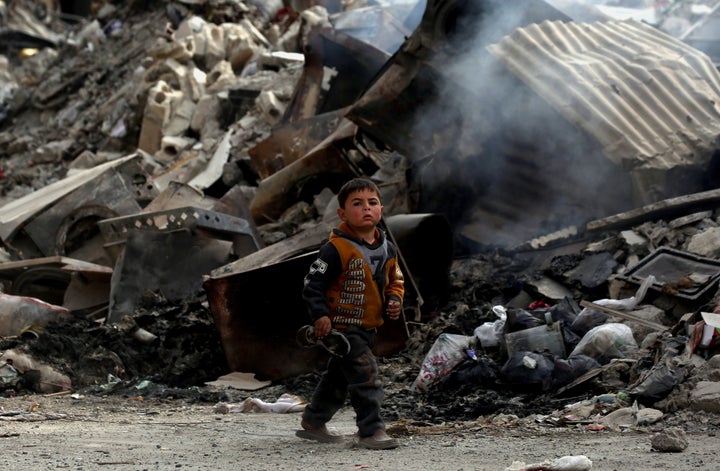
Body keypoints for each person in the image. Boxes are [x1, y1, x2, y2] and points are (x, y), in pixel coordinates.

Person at [296, 177, 405, 450]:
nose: (366, 208)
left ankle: (313, 420)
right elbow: (313, 284)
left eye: (372, 202)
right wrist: (320, 315)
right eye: (357, 203)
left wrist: (394, 298)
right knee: (366, 375)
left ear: (381, 209)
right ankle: (370, 431)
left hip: (369, 327)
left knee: (339, 377)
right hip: (344, 329)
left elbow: (396, 279)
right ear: (342, 213)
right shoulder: (335, 249)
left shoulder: (387, 247)